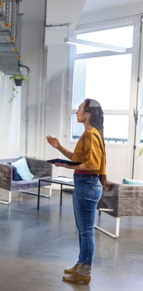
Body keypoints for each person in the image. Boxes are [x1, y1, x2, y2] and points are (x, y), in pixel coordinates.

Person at [47, 99, 106, 285]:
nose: (77, 112)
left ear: (88, 114)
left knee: (86, 231)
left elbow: (93, 165)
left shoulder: (90, 134)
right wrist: (59, 148)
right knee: (83, 231)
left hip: (87, 185)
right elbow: (77, 158)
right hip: (84, 184)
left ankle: (85, 271)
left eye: (80, 109)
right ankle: (81, 264)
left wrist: (64, 165)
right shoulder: (89, 134)